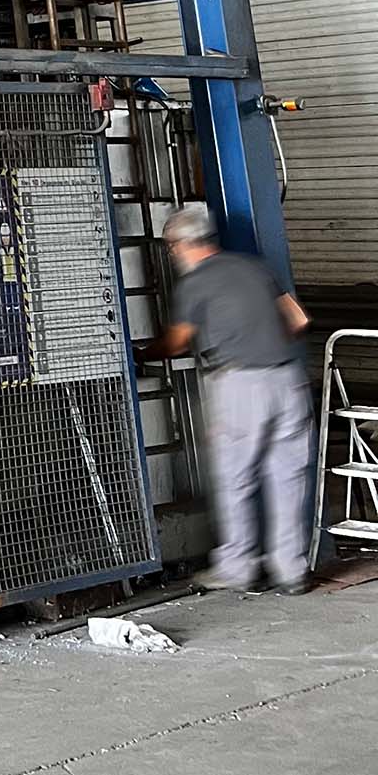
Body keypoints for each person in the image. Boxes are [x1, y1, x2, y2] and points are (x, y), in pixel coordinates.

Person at [141, 204, 313, 594]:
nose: (172, 254)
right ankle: (292, 570)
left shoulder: (195, 283)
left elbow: (177, 343)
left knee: (236, 477)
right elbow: (299, 319)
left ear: (181, 244)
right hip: (288, 379)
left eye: (171, 248)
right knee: (288, 477)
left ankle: (238, 567)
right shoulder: (255, 267)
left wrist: (142, 353)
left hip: (241, 385)